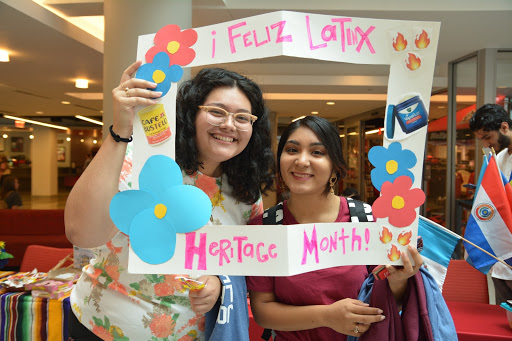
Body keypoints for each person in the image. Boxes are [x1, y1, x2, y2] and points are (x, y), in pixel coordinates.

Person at [65, 62, 275, 340]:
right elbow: (80, 232)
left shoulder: (245, 194)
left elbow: (238, 263)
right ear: (190, 115)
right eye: (216, 111)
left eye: (242, 117)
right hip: (102, 327)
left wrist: (218, 282)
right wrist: (120, 130)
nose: (228, 124)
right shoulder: (142, 165)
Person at [247, 116, 428, 340]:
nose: (302, 161)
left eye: (317, 152)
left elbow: (391, 302)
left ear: (335, 166)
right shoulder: (264, 228)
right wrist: (326, 316)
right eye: (292, 150)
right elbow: (262, 311)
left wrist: (400, 279)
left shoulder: (368, 221)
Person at [469, 103, 512, 305]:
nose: (485, 145)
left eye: (488, 138)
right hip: (502, 256)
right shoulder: (499, 159)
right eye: (481, 140)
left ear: (504, 127)